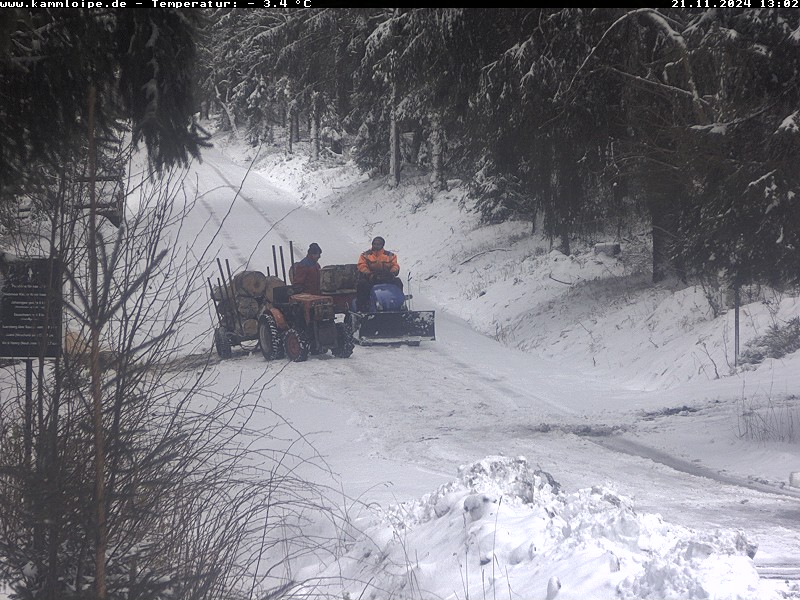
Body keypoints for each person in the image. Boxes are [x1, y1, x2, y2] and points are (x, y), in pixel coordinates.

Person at [356, 236, 403, 311]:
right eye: (374, 244)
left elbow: (395, 265)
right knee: (362, 284)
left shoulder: (390, 256)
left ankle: (400, 305)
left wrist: (392, 273)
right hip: (371, 278)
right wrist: (369, 274)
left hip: (386, 277)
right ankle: (363, 307)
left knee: (398, 282)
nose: (376, 245)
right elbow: (362, 266)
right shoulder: (365, 255)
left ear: (382, 245)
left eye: (378, 244)